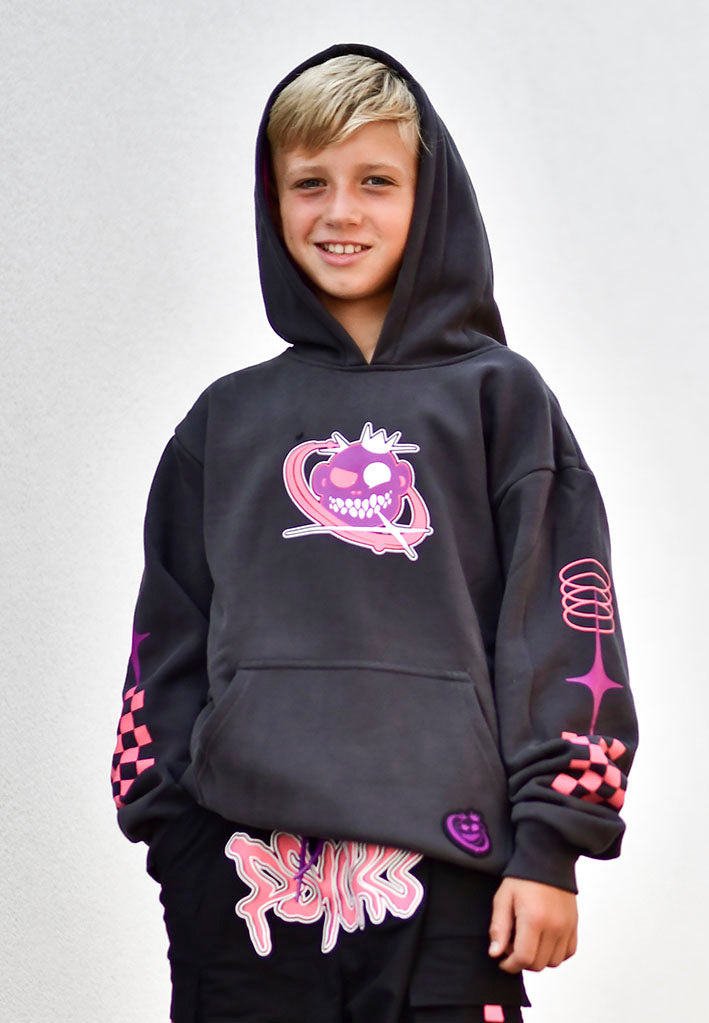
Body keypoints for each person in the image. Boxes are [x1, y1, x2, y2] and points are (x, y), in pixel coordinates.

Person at [112, 43, 638, 1023]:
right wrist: (174, 842)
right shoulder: (224, 423)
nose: (340, 211)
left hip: (450, 877)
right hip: (245, 879)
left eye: (375, 181)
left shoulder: (500, 401)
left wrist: (551, 844)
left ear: (429, 200)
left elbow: (566, 630)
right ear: (272, 201)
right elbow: (163, 645)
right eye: (309, 182)